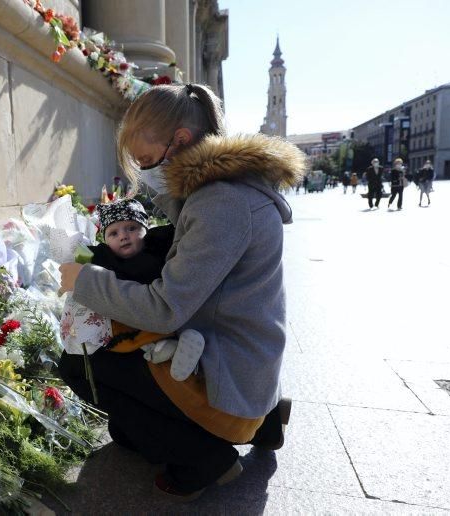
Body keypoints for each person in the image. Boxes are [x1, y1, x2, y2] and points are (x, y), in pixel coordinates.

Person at [57, 83, 302, 501]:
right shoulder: (229, 188)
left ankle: (206, 459)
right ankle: (264, 420)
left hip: (227, 370)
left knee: (77, 363)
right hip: (245, 358)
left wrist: (83, 280)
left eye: (148, 161)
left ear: (182, 140)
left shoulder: (220, 202)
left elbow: (166, 308)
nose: (147, 172)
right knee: (126, 430)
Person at [76, 198, 205, 381]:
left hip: (164, 313)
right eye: (113, 233)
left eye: (132, 228)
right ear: (105, 240)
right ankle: (163, 350)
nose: (123, 236)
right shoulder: (107, 260)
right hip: (132, 320)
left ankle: (179, 346)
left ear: (146, 229)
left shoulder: (159, 248)